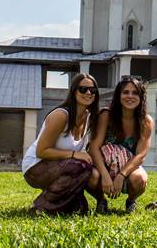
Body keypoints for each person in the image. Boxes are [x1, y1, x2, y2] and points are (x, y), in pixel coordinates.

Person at [22, 73, 100, 215]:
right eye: (83, 89)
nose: (89, 93)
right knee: (80, 165)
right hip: (35, 167)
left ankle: (63, 203)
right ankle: (41, 206)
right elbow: (42, 151)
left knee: (81, 210)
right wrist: (74, 154)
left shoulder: (88, 117)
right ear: (74, 91)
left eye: (93, 90)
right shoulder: (61, 115)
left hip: (61, 167)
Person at [89, 76, 153, 214]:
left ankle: (131, 201)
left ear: (141, 97)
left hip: (128, 168)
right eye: (125, 92)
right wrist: (105, 175)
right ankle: (101, 200)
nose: (130, 96)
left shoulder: (146, 122)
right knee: (90, 175)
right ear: (118, 95)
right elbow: (94, 147)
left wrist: (121, 175)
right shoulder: (106, 115)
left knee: (140, 179)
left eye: (135, 93)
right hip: (103, 166)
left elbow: (141, 155)